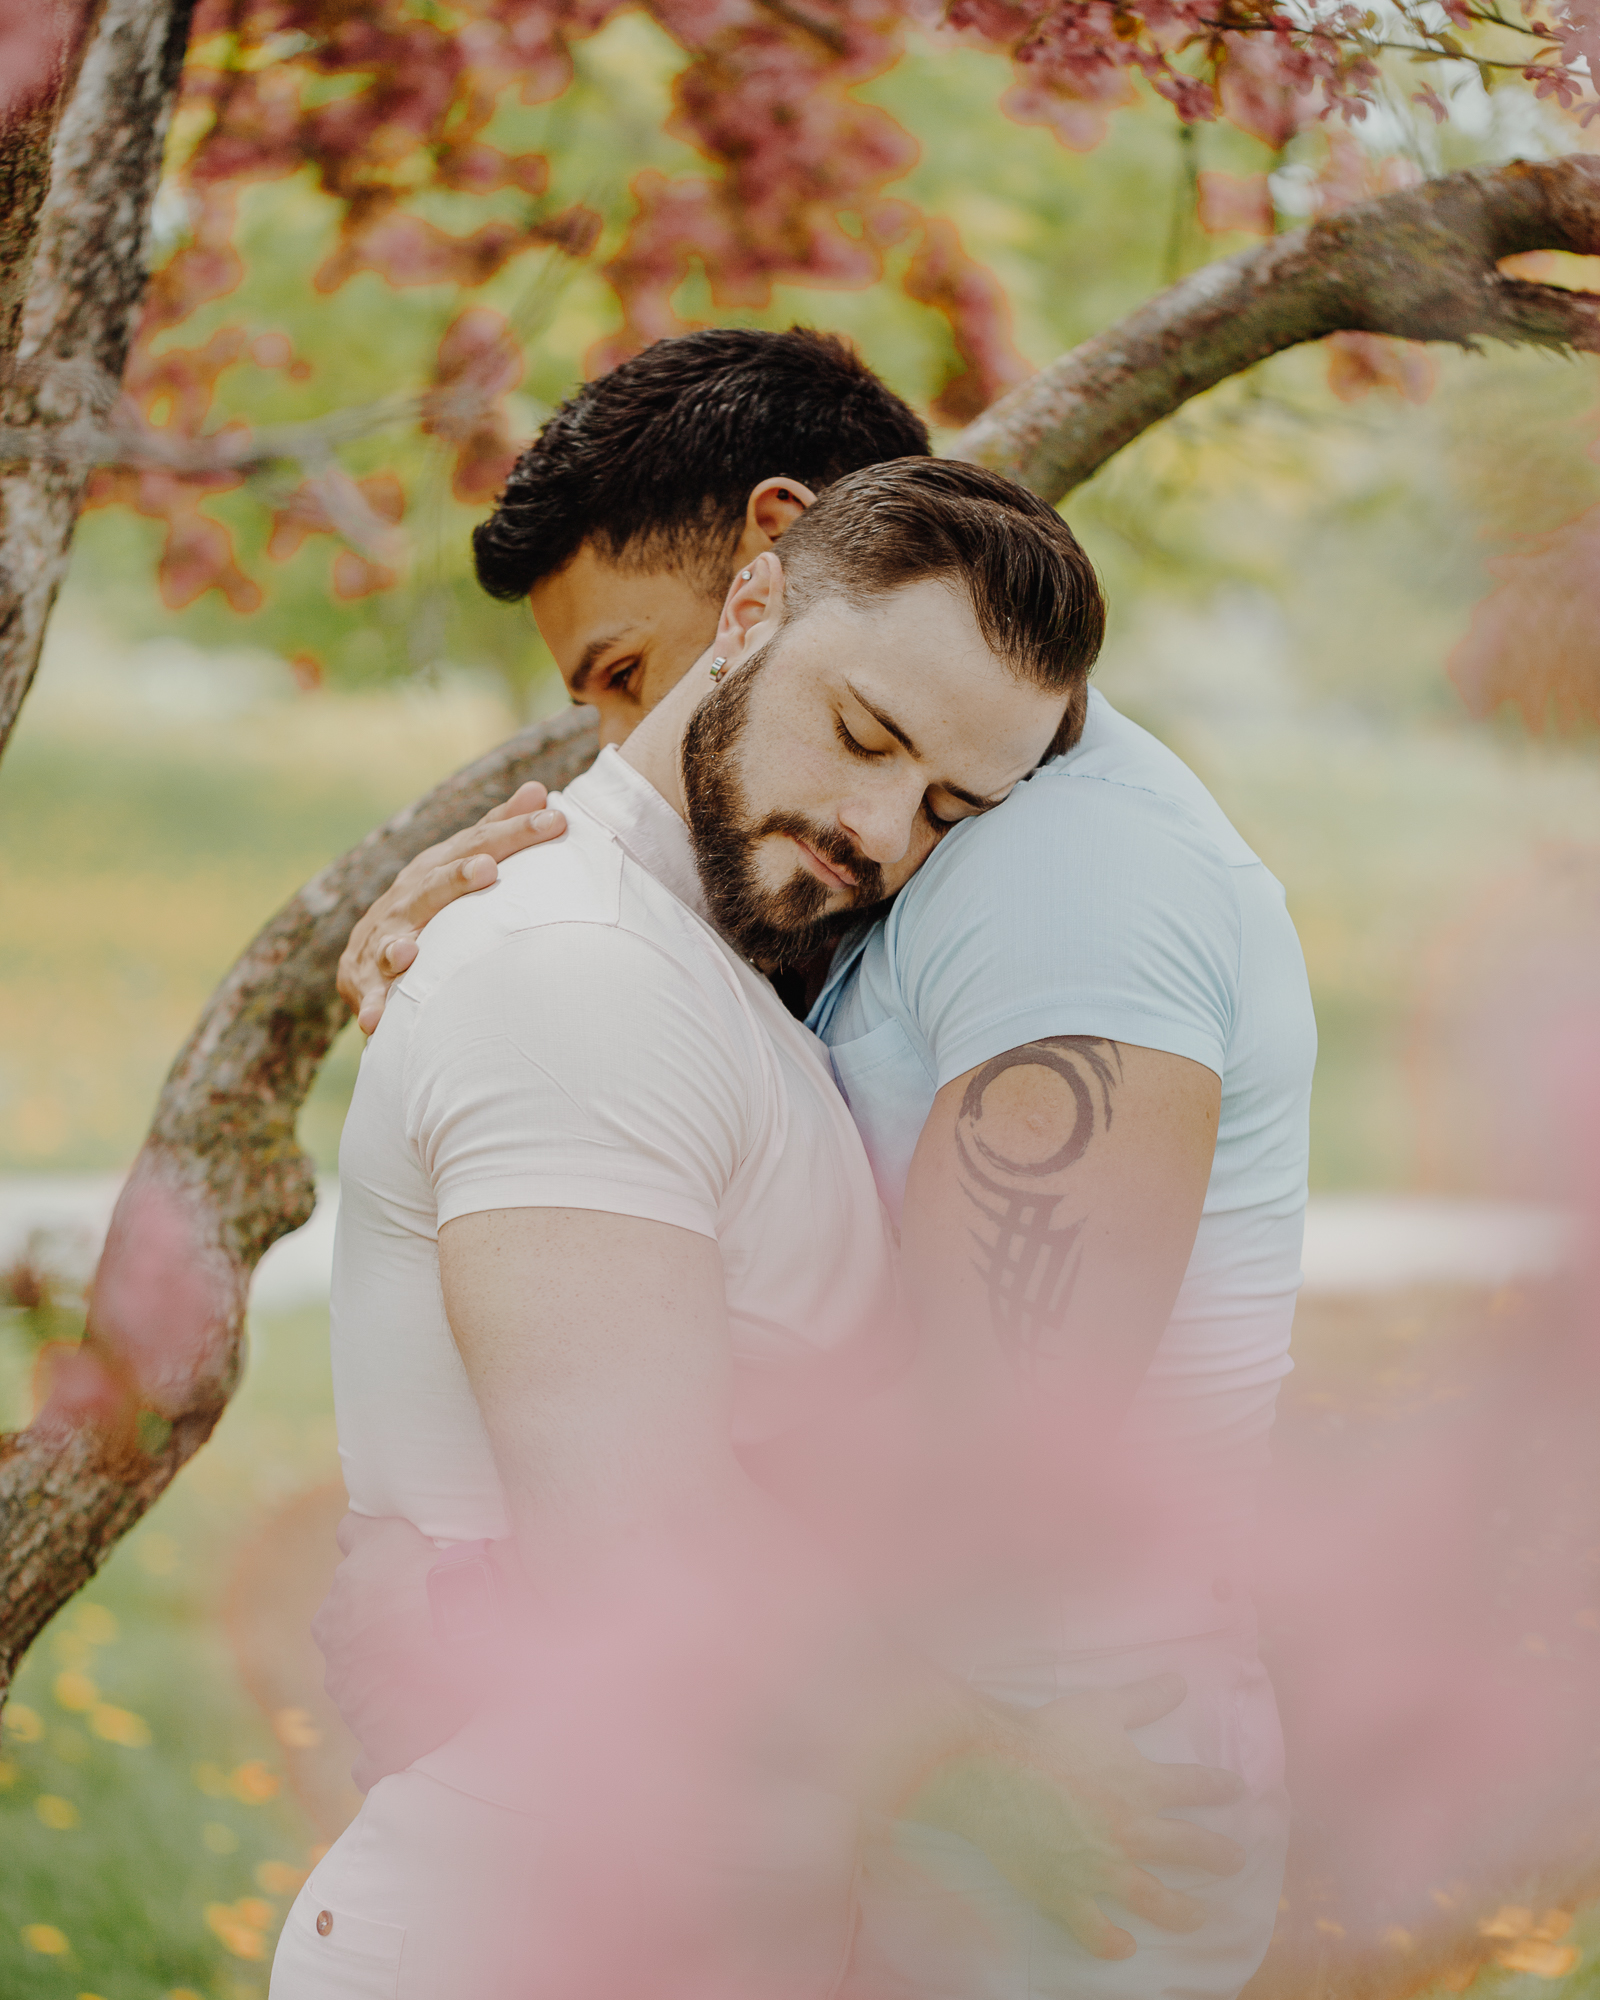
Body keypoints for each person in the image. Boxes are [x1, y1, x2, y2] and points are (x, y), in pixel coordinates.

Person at [327, 328, 1316, 1998]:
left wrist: (492, 1598)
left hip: (1039, 1765)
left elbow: (988, 1452)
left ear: (758, 578)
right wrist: (497, 903)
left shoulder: (1057, 887)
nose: (880, 825)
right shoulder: (916, 845)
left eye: (622, 675)